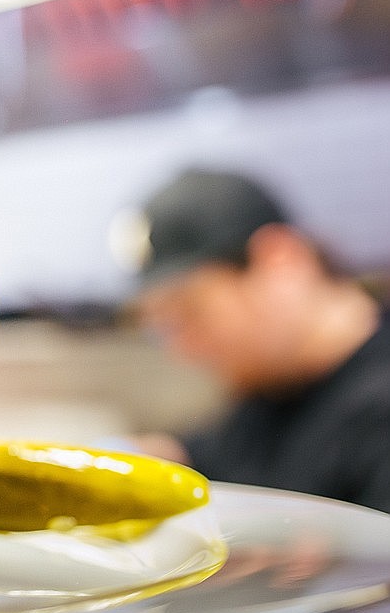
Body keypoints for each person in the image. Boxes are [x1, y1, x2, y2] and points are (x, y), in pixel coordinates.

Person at [132, 167, 390, 513]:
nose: (183, 348)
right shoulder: (271, 389)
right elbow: (198, 455)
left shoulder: (375, 406)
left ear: (279, 261)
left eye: (189, 313)